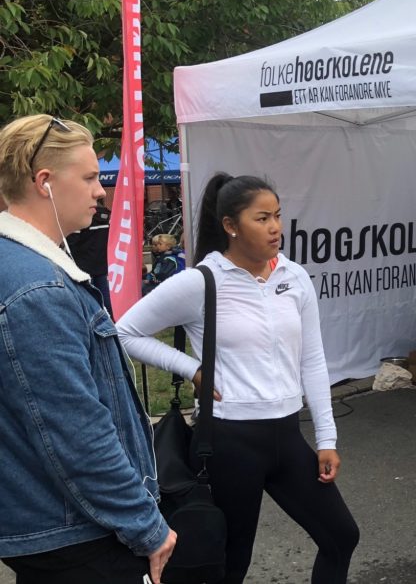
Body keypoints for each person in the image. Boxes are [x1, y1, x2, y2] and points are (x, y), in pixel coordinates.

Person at [117, 173, 359, 583]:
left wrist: (327, 439)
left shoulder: (293, 276)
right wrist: (190, 368)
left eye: (278, 216)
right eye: (262, 218)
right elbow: (124, 332)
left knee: (341, 536)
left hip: (287, 435)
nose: (275, 227)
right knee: (231, 564)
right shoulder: (201, 282)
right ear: (231, 226)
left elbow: (314, 359)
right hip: (229, 443)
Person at [0, 115, 175, 583]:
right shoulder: (37, 289)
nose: (102, 191)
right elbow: (77, 432)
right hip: (79, 536)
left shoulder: (21, 270)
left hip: (51, 525)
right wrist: (147, 527)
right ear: (45, 183)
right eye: (91, 177)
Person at [65, 196, 112, 312]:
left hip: (83, 263)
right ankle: (111, 317)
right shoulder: (107, 214)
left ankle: (94, 316)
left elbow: (72, 241)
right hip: (102, 261)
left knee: (88, 294)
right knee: (104, 292)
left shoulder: (82, 215)